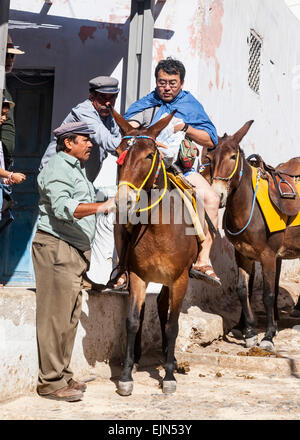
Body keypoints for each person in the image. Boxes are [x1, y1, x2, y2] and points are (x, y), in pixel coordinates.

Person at [32, 121, 115, 402]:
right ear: (68, 143)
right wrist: (102, 206)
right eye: (85, 140)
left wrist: (112, 198)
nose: (91, 144)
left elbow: (83, 198)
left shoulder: (75, 169)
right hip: (57, 249)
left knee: (68, 318)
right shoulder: (58, 168)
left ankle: (62, 375)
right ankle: (50, 382)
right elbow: (63, 206)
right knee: (54, 318)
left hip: (72, 251)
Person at [120, 57, 221, 287]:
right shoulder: (147, 104)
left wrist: (186, 128)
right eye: (162, 82)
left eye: (172, 83)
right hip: (149, 170)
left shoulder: (190, 106)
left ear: (182, 83)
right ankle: (122, 267)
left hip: (180, 169)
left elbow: (211, 139)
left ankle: (203, 261)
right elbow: (129, 126)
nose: (166, 88)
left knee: (211, 199)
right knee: (121, 204)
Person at [40, 76, 122, 290]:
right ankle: (51, 280)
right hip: (60, 174)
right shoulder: (85, 111)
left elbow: (118, 138)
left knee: (87, 224)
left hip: (82, 178)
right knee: (58, 224)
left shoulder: (109, 117)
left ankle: (83, 276)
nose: (108, 103)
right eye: (104, 98)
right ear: (92, 97)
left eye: (112, 98)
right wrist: (138, 143)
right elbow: (109, 141)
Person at [1, 34, 25, 169]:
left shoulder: (4, 85)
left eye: (12, 56)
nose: (10, 59)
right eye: (6, 55)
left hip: (4, 160)